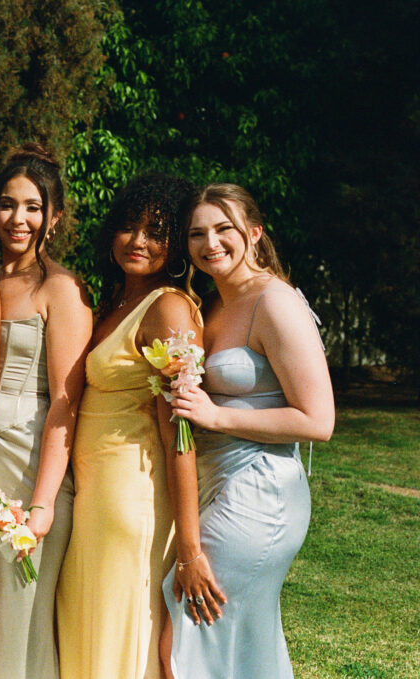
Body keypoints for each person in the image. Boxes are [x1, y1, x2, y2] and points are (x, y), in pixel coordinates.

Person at [159, 183, 334, 679]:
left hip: (261, 492)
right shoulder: (209, 305)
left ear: (254, 233)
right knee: (233, 637)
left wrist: (217, 416)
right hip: (216, 484)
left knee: (186, 626)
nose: (210, 243)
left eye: (223, 229)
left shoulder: (275, 302)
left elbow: (318, 421)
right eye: (197, 234)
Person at [56, 173, 198, 679]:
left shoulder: (169, 309)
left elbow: (178, 435)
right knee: (86, 620)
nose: (138, 241)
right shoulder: (115, 300)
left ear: (177, 242)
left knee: (122, 627)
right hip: (92, 496)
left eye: (156, 232)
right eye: (128, 227)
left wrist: (189, 545)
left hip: (131, 496)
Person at [0, 144, 92, 679]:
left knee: (22, 618)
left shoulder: (61, 289)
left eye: (33, 206)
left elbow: (67, 402)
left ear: (53, 217)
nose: (19, 218)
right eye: (9, 204)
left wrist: (42, 504)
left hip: (28, 461)